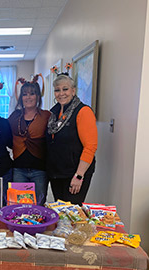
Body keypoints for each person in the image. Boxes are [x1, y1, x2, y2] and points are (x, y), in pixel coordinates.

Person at [46, 73, 98, 205]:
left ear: (73, 91)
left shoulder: (83, 112)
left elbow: (90, 146)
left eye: (65, 89)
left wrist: (79, 175)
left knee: (72, 214)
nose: (61, 93)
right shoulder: (54, 113)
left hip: (74, 174)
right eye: (57, 90)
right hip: (57, 173)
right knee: (60, 211)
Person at [8, 75, 51, 205]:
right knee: (19, 205)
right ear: (21, 97)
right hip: (19, 169)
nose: (28, 97)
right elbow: (6, 136)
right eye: (25, 94)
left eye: (32, 94)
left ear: (38, 96)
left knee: (38, 205)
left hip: (39, 170)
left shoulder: (46, 116)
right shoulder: (15, 116)